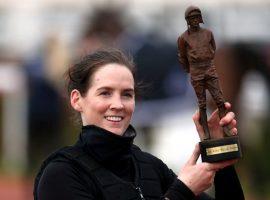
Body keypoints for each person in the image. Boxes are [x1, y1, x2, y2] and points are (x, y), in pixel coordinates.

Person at [33, 49, 244, 200]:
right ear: (77, 99)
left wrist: (217, 152)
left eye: (127, 94)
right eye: (105, 93)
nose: (117, 104)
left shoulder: (151, 167)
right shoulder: (61, 174)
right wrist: (182, 191)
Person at [177, 6, 228, 140]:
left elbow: (213, 48)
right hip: (196, 71)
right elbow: (182, 57)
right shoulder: (183, 38)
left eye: (196, 17)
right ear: (187, 20)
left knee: (220, 99)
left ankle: (226, 128)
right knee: (202, 104)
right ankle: (205, 133)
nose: (194, 20)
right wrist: (190, 70)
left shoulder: (208, 33)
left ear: (200, 18)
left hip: (209, 68)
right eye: (191, 18)